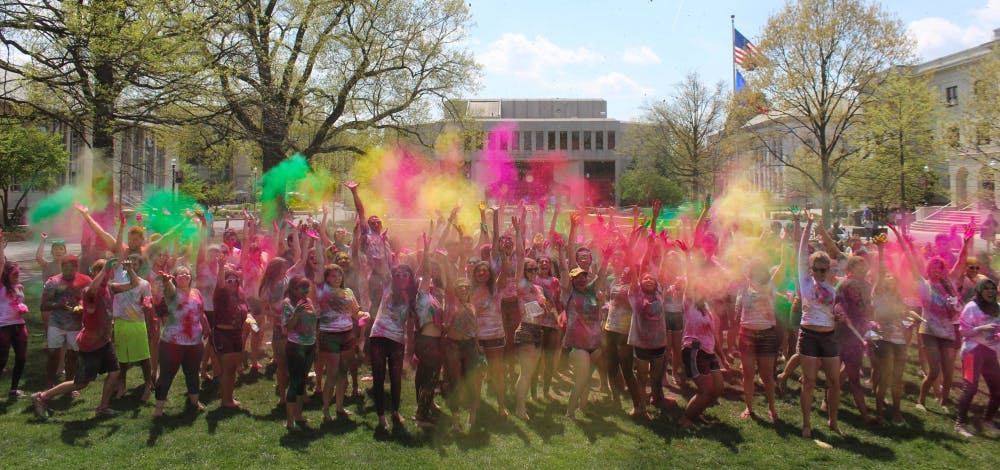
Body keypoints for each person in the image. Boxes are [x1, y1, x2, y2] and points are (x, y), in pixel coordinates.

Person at [33, 258, 124, 419]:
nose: (107, 274)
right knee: (81, 383)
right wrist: (104, 270)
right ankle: (43, 396)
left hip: (104, 341)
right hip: (91, 344)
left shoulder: (108, 288)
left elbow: (133, 285)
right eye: (104, 271)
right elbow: (90, 292)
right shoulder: (91, 291)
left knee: (115, 372)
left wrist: (129, 268)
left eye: (108, 271)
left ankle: (103, 406)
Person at [796, 214, 843, 437]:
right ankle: (806, 423)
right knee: (809, 382)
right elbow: (801, 251)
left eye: (825, 269)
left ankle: (833, 422)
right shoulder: (805, 283)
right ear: (811, 268)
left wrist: (823, 230)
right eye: (817, 269)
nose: (821, 273)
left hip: (829, 336)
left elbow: (837, 255)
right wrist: (807, 226)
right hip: (809, 335)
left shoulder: (834, 285)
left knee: (834, 381)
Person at [153, 265, 209, 417]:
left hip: (194, 342)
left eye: (187, 273)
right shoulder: (172, 293)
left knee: (192, 372)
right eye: (180, 274)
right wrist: (166, 282)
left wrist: (206, 326)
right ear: (175, 278)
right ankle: (158, 409)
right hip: (172, 343)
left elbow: (201, 312)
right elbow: (169, 289)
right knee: (166, 375)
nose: (184, 275)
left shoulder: (196, 293)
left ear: (191, 277)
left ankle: (194, 401)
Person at [369, 264, 417, 430]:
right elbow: (382, 263)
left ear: (410, 277)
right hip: (378, 336)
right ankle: (381, 416)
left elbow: (410, 325)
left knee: (396, 378)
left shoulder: (412, 297)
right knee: (379, 376)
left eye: (405, 274)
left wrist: (410, 348)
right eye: (397, 274)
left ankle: (395, 411)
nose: (401, 277)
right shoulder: (388, 287)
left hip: (397, 339)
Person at [315, 263, 364, 422]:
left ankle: (339, 407)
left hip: (347, 335)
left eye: (339, 275)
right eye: (333, 276)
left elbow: (356, 313)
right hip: (330, 335)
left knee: (343, 373)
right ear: (327, 278)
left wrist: (366, 315)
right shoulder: (323, 291)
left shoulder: (348, 292)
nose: (337, 279)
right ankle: (326, 410)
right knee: (332, 373)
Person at [955, 278, 1000, 437]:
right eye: (986, 288)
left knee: (997, 389)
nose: (990, 291)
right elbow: (963, 331)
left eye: (992, 288)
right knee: (970, 388)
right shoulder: (972, 307)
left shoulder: (997, 308)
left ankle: (987, 420)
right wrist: (982, 327)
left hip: (990, 351)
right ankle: (960, 423)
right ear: (980, 291)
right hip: (972, 351)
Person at [736, 261, 780, 421]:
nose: (757, 274)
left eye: (760, 271)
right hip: (747, 333)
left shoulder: (771, 286)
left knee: (767, 375)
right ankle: (749, 407)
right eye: (754, 271)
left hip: (767, 333)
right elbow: (742, 306)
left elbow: (780, 269)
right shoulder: (744, 287)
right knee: (747, 374)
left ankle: (772, 408)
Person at [40, 254, 92, 388]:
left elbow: (91, 298)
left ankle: (70, 384)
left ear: (76, 268)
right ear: (61, 267)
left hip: (75, 325)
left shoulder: (85, 280)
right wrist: (60, 305)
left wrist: (82, 306)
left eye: (70, 269)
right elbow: (44, 305)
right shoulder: (53, 282)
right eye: (65, 269)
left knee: (73, 355)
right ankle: (50, 382)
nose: (67, 272)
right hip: (56, 323)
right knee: (53, 354)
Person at [834, 255, 875, 423]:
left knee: (852, 377)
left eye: (863, 267)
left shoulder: (866, 286)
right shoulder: (843, 286)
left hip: (855, 339)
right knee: (837, 377)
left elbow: (867, 310)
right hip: (840, 338)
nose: (862, 270)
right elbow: (835, 307)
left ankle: (864, 415)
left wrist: (868, 324)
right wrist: (840, 315)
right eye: (858, 267)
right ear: (850, 269)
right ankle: (831, 411)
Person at [111, 254, 155, 402]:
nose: (133, 265)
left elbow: (148, 304)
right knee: (122, 358)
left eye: (136, 264)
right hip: (120, 323)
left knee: (143, 356)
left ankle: (148, 384)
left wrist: (150, 324)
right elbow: (116, 249)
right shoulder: (118, 277)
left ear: (140, 267)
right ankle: (122, 385)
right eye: (130, 263)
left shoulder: (144, 284)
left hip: (137, 323)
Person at [212, 255, 252, 408]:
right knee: (227, 369)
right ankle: (226, 401)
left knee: (233, 369)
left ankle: (229, 398)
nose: (233, 283)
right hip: (223, 335)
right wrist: (221, 268)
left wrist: (251, 320)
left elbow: (247, 311)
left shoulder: (239, 295)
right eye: (230, 281)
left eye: (236, 281)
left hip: (236, 335)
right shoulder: (220, 294)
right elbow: (220, 284)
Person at [282, 276, 317, 430]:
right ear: (293, 289)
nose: (304, 291)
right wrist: (296, 313)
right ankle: (290, 422)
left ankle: (299, 415)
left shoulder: (308, 302)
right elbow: (288, 328)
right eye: (301, 287)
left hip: (310, 345)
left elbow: (314, 322)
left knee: (302, 381)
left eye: (306, 287)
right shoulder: (287, 304)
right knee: (295, 382)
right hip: (296, 347)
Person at [0, 231, 29, 398]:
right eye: (14, 274)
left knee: (22, 357)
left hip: (19, 325)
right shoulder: (1, 285)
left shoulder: (19, 287)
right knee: (2, 360)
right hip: (3, 326)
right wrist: (1, 241)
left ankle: (14, 389)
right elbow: (1, 262)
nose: (17, 276)